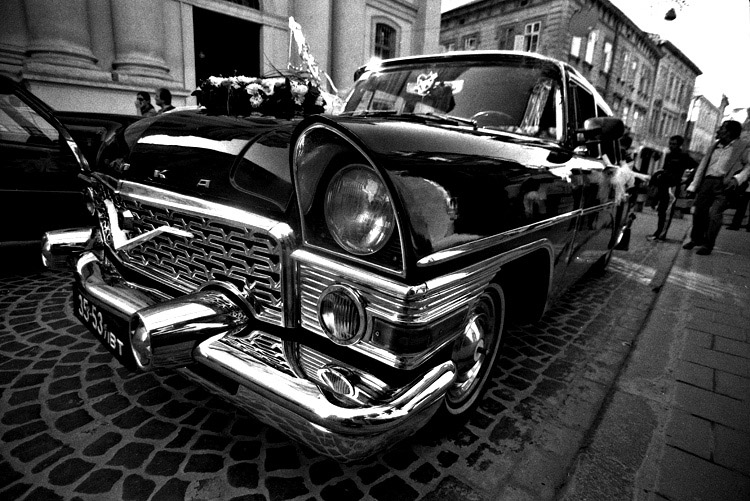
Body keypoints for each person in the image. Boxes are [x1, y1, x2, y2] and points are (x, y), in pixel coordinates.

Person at [683, 120, 750, 255]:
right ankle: (695, 239)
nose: (719, 130)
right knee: (699, 213)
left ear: (730, 132)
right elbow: (702, 166)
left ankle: (708, 244)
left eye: (723, 128)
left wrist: (737, 180)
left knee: (715, 214)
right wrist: (693, 186)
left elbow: (749, 166)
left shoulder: (743, 147)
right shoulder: (714, 146)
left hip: (724, 184)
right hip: (707, 182)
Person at [647, 135, 696, 241]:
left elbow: (696, 166)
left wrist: (686, 180)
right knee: (661, 210)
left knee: (667, 211)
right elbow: (665, 169)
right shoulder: (668, 155)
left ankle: (661, 234)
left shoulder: (683, 156)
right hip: (664, 185)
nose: (671, 146)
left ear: (679, 145)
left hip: (672, 187)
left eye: (674, 144)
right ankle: (658, 232)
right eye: (670, 143)